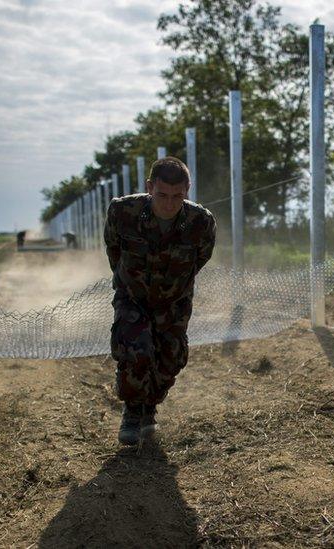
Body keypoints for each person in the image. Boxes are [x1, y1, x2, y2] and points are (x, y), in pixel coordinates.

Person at [104, 156, 215, 444]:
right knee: (136, 350)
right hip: (133, 298)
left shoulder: (200, 222)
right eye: (162, 195)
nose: (169, 203)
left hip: (174, 302)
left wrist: (172, 286)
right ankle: (132, 411)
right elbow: (114, 250)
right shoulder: (122, 211)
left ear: (187, 189)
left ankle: (150, 407)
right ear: (150, 187)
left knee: (171, 359)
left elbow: (200, 259)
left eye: (177, 196)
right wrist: (132, 282)